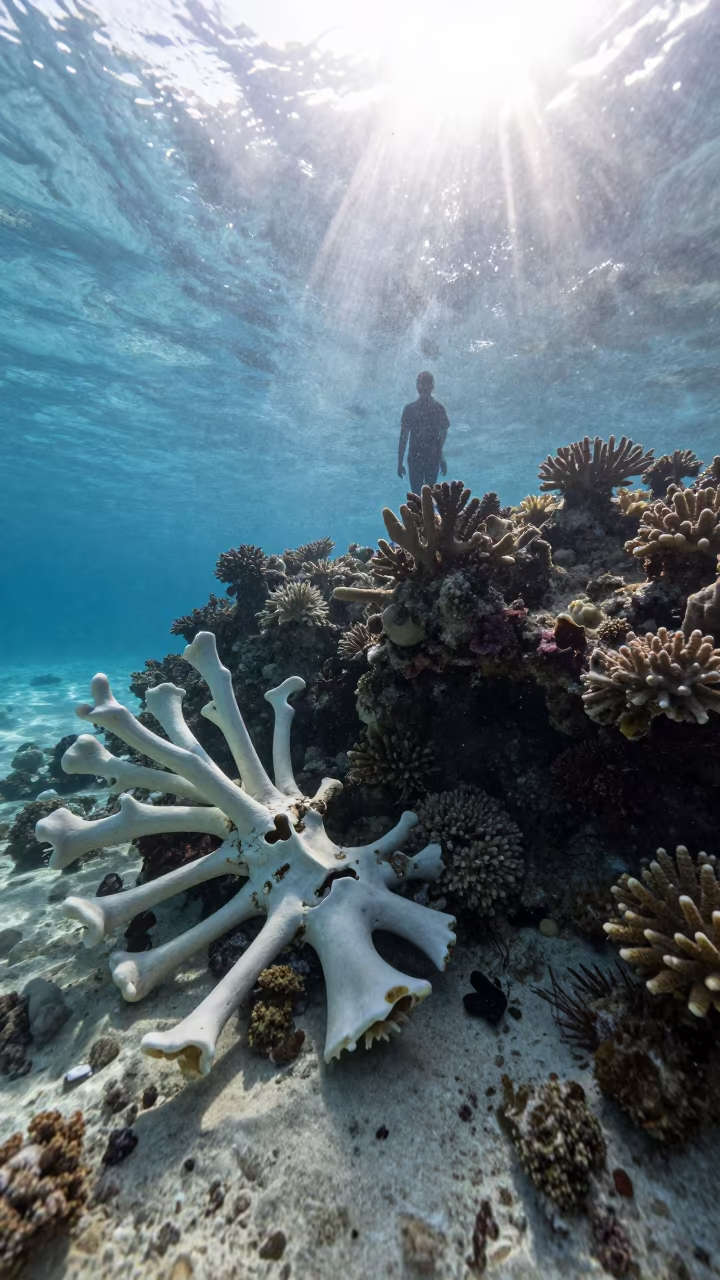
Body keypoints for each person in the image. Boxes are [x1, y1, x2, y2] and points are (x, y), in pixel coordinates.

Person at [397, 372, 449, 494]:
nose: (422, 387)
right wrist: (399, 462)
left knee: (424, 499)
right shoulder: (411, 409)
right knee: (421, 499)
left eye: (425, 384)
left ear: (432, 386)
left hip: (427, 458)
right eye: (420, 384)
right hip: (422, 458)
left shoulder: (437, 409)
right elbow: (403, 437)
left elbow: (403, 438)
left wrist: (441, 457)